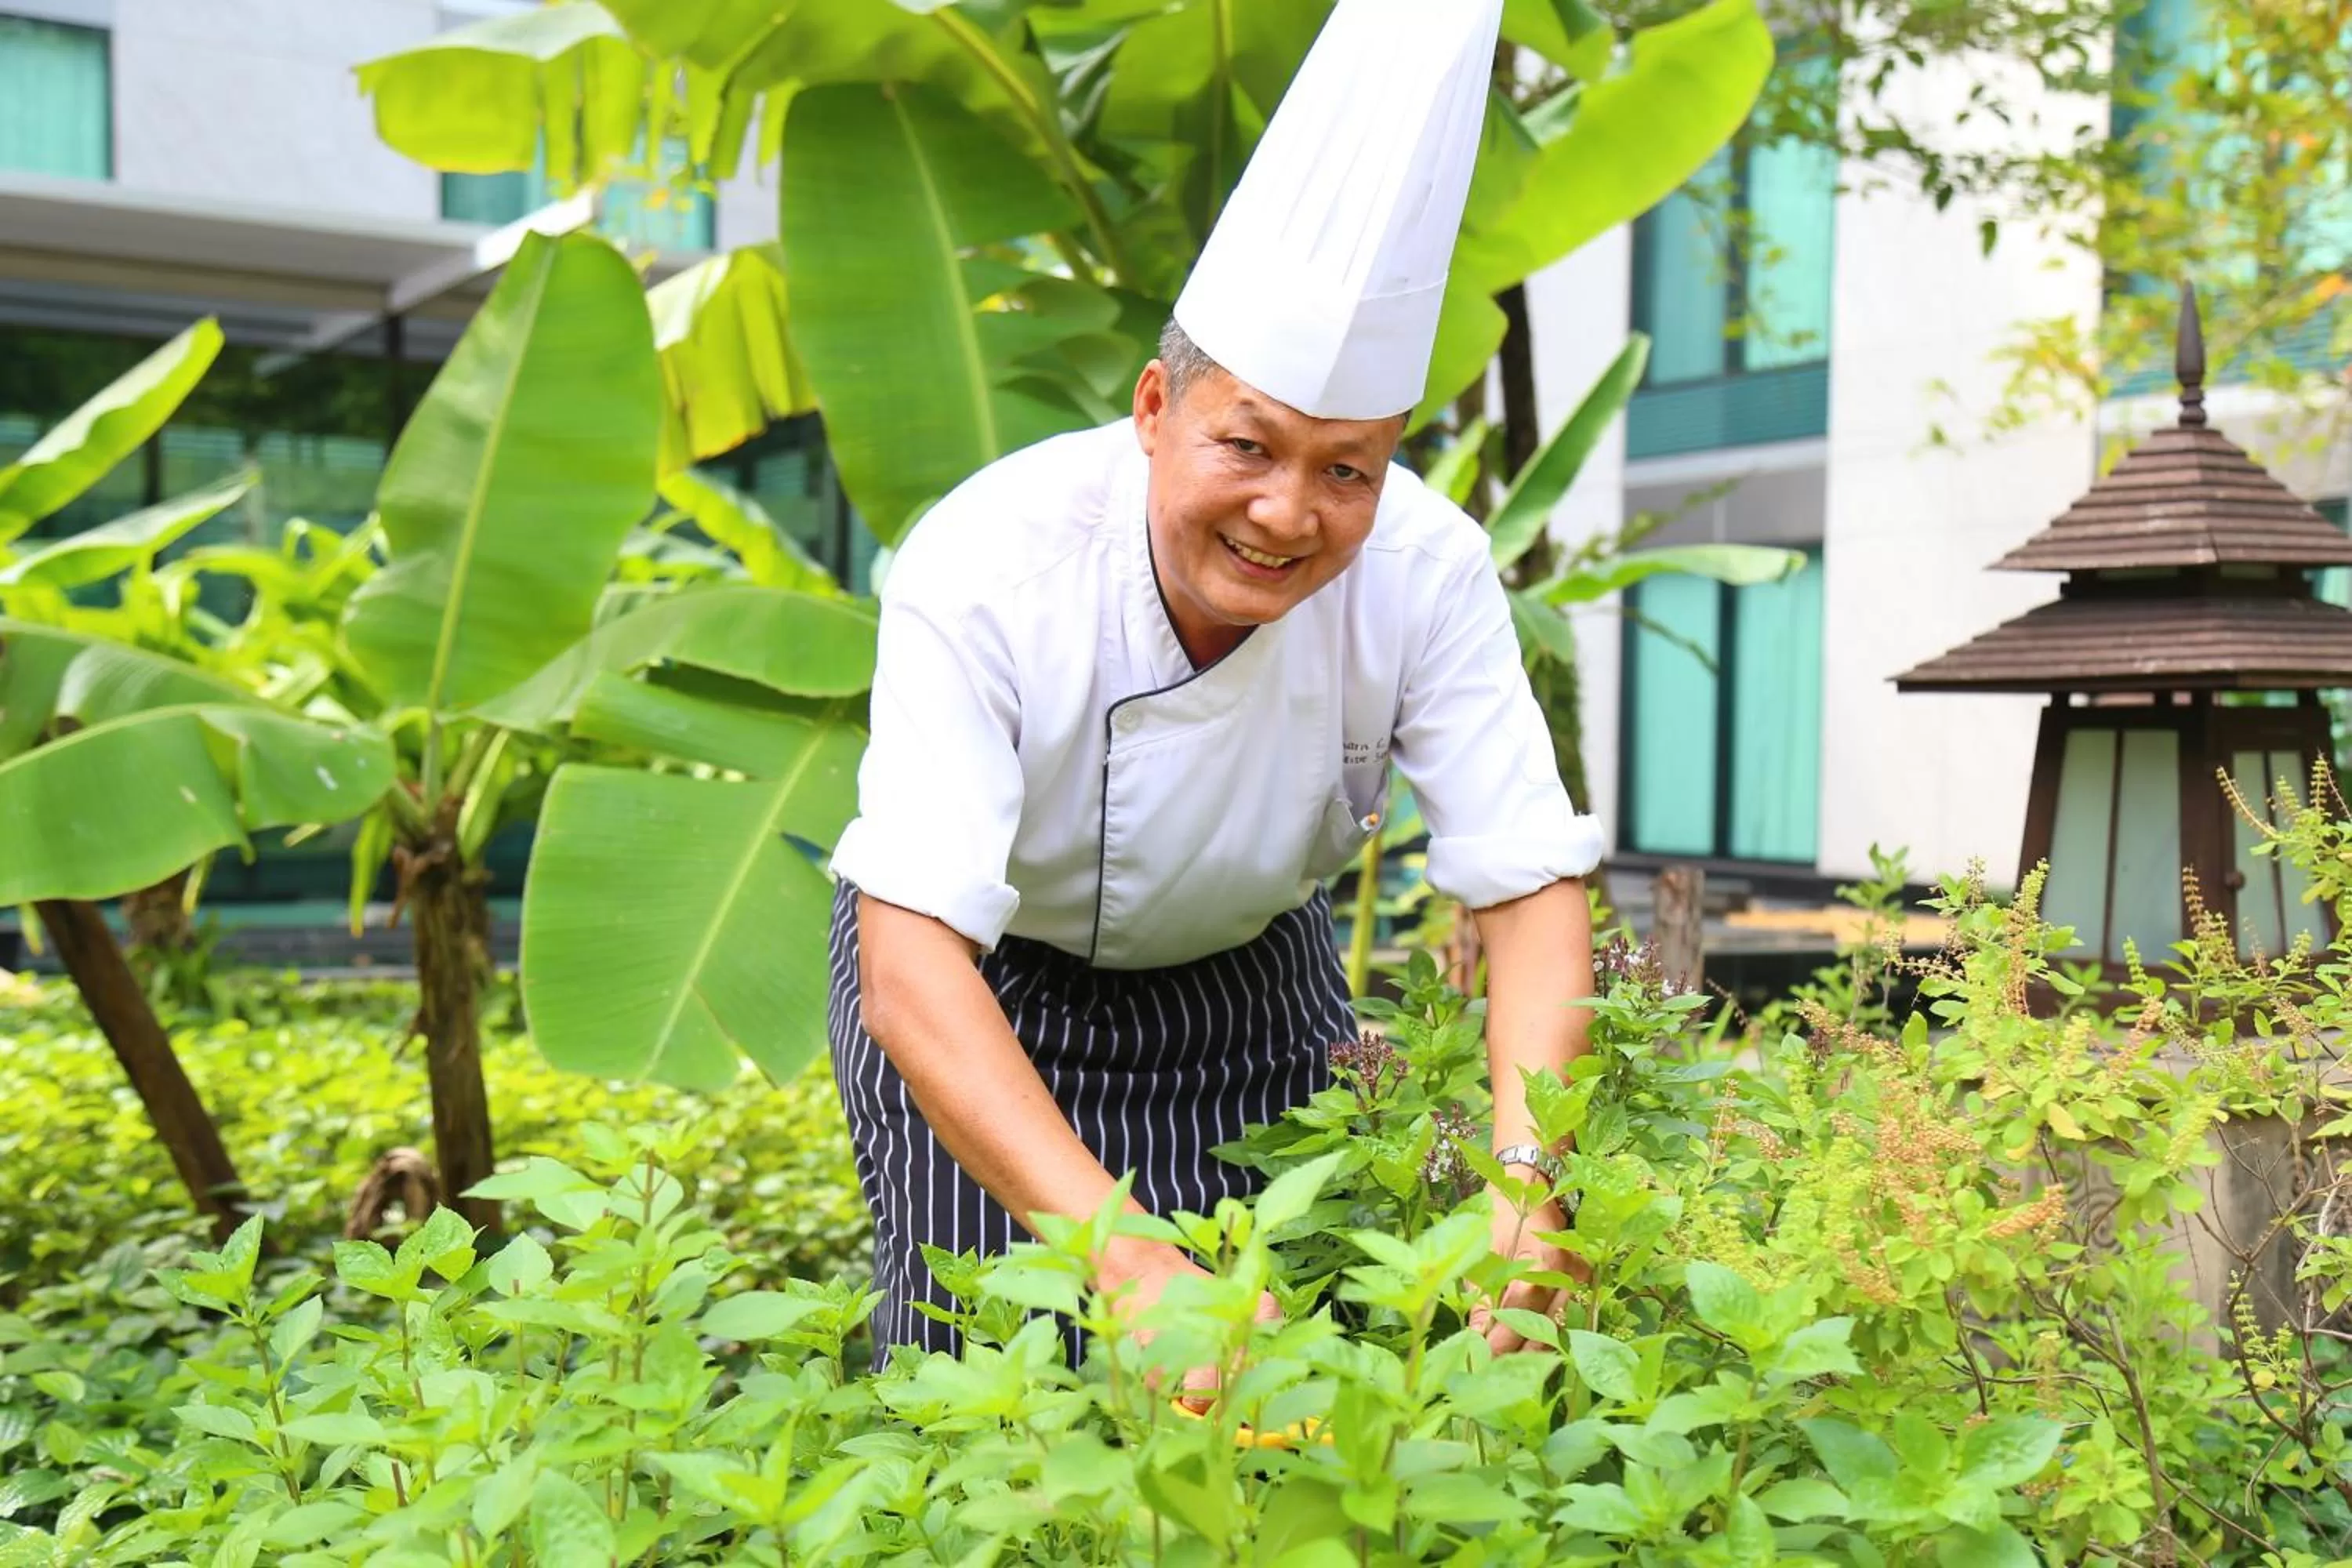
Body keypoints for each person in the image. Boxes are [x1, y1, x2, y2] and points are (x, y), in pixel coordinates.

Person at [826, 0, 1602, 1381]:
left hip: (1247, 983)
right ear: (1150, 410)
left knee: (1320, 1356)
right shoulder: (988, 562)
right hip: (979, 987)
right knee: (988, 1384)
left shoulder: (1429, 570)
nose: (1289, 514)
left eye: (1348, 468)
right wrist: (1121, 1257)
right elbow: (906, 966)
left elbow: (1529, 885)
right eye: (1247, 445)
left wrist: (1531, 1178)